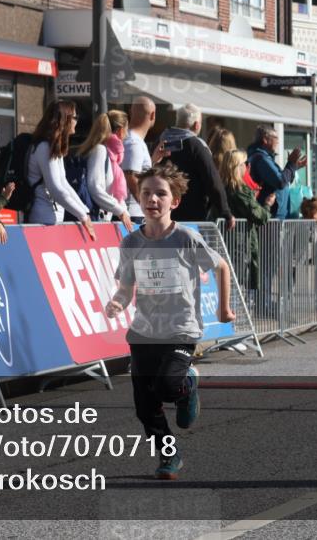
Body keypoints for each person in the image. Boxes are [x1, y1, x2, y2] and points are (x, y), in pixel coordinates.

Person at [104, 163, 235, 480]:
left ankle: (187, 384)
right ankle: (168, 455)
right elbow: (126, 287)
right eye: (146, 193)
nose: (152, 199)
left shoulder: (186, 239)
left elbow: (221, 268)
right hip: (144, 333)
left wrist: (224, 310)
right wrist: (117, 303)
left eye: (160, 193)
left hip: (180, 330)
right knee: (144, 406)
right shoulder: (131, 244)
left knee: (166, 386)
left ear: (174, 201)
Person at [26, 100, 96, 239]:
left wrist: (85, 212)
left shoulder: (52, 147)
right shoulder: (44, 147)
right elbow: (56, 189)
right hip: (43, 219)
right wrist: (82, 215)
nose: (77, 121)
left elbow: (64, 184)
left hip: (52, 218)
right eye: (74, 117)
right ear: (64, 120)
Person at [158, 104, 234, 228]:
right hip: (192, 215)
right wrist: (225, 211)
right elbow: (212, 179)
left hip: (162, 212)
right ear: (196, 125)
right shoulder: (196, 145)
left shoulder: (161, 141)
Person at [220, 149, 273, 292]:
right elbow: (259, 216)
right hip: (239, 243)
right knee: (236, 284)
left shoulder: (221, 186)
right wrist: (267, 204)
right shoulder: (239, 189)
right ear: (238, 166)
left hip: (228, 241)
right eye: (245, 163)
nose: (248, 167)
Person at [74, 112, 132, 230]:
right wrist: (120, 211)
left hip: (100, 218)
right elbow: (95, 187)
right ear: (121, 130)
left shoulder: (111, 155)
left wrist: (124, 212)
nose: (126, 135)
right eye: (127, 130)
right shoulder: (100, 150)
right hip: (94, 219)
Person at [246, 125, 306, 220]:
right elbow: (280, 181)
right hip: (271, 216)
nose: (278, 142)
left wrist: (294, 166)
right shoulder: (261, 159)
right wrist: (290, 164)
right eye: (275, 138)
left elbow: (282, 178)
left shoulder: (264, 157)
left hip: (275, 215)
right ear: (265, 139)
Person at [122, 96, 158, 225]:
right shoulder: (134, 142)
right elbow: (130, 176)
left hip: (132, 212)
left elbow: (134, 172)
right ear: (153, 115)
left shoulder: (133, 140)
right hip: (133, 214)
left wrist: (153, 160)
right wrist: (145, 205)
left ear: (131, 112)